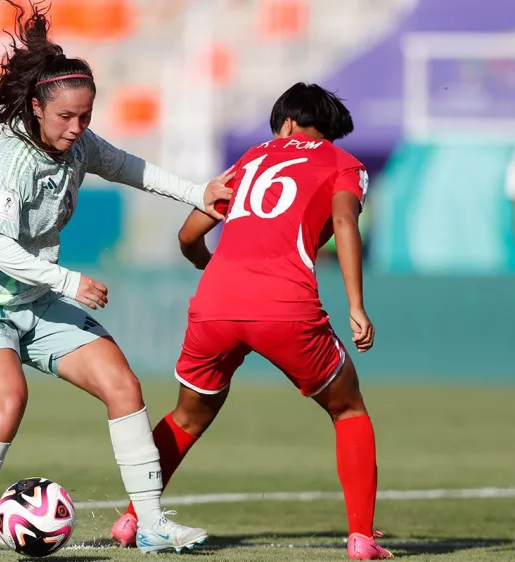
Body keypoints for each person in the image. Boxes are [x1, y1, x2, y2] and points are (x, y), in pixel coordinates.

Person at [0, 1, 233, 556]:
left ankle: (151, 523)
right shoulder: (12, 158)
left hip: (37, 294)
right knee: (9, 401)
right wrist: (67, 282)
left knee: (123, 386)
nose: (77, 129)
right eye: (66, 118)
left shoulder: (79, 145)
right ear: (35, 108)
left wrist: (199, 193)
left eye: (86, 117)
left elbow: (129, 167)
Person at [109, 83, 393, 560]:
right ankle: (361, 537)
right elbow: (345, 223)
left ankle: (132, 517)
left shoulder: (253, 158)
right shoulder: (344, 165)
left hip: (216, 303)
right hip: (287, 307)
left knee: (185, 417)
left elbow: (188, 234)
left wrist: (205, 262)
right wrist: (357, 306)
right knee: (347, 409)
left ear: (284, 123)